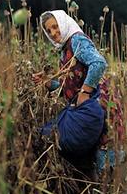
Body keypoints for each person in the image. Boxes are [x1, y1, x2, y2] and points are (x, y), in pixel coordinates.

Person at [32, 10, 107, 180]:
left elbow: (99, 63)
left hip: (99, 108)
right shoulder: (65, 48)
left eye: (55, 26)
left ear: (63, 23)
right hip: (86, 109)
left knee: (106, 168)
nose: (53, 33)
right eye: (48, 30)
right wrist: (50, 84)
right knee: (90, 168)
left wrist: (85, 91)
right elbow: (72, 87)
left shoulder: (76, 40)